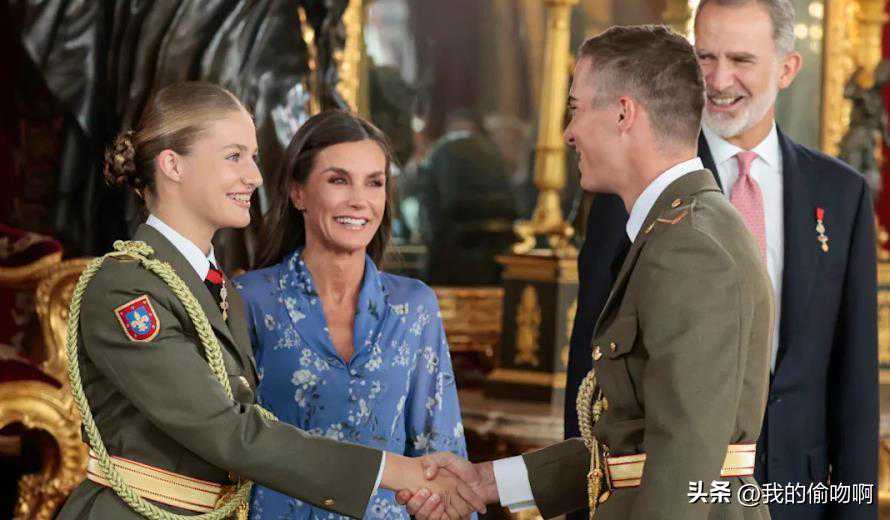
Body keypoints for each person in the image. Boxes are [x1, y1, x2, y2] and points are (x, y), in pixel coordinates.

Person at [56, 82, 485, 520]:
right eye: (234, 156)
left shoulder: (215, 287)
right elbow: (227, 431)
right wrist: (395, 471)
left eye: (253, 157)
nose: (255, 177)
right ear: (173, 165)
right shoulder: (128, 285)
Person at [399, 24, 774, 520]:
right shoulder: (675, 230)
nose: (568, 132)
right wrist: (485, 482)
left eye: (575, 108)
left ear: (623, 113)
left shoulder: (691, 247)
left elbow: (684, 467)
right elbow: (627, 448)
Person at [561, 2, 879, 520]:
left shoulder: (841, 193)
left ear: (787, 68)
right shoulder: (626, 189)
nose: (718, 79)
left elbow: (855, 385)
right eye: (704, 57)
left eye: (741, 60)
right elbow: (592, 372)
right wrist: (583, 501)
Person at [234, 110, 475, 519]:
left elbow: (442, 455)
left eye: (374, 183)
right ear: (297, 193)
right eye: (338, 180)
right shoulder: (249, 300)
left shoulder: (414, 307)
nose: (359, 200)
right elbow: (227, 441)